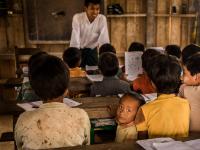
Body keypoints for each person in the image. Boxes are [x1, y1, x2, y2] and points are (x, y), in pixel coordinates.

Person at [15, 54, 90, 150]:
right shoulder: (81, 116)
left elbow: (20, 147)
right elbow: (87, 145)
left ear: (35, 90)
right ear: (66, 90)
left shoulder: (23, 119)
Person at [135, 54, 190, 139]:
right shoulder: (186, 104)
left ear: (152, 84)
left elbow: (142, 142)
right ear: (179, 78)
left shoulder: (144, 110)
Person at [70, 0, 110, 68]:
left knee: (94, 73)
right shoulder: (77, 18)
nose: (95, 12)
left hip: (92, 51)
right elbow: (75, 39)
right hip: (79, 51)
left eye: (97, 9)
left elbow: (104, 40)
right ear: (86, 8)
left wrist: (106, 58)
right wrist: (74, 57)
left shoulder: (102, 19)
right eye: (92, 9)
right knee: (78, 72)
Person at [179, 53, 200, 131]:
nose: (181, 78)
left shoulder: (184, 89)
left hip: (192, 136)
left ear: (197, 77)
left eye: (184, 73)